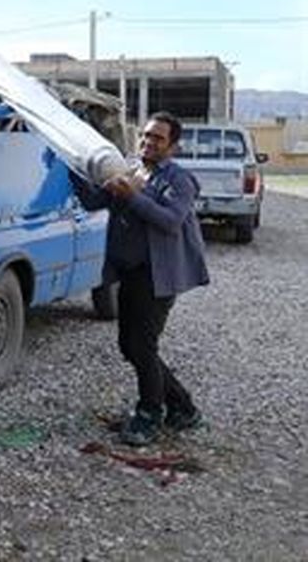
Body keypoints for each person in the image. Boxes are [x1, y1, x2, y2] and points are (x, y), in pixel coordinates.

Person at [72, 112, 210, 446]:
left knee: (141, 345)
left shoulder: (179, 180)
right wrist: (72, 166)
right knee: (129, 345)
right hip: (130, 273)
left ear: (173, 146)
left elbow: (170, 221)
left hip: (157, 277)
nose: (148, 142)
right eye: (146, 136)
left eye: (158, 139)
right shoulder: (130, 169)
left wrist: (131, 195)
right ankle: (183, 407)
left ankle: (150, 413)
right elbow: (94, 200)